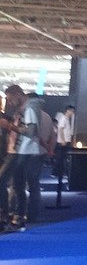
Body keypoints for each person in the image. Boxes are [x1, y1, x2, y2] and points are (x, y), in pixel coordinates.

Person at [0, 86, 45, 231]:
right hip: (21, 150)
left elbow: (31, 132)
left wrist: (9, 126)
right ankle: (16, 217)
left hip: (23, 150)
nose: (10, 103)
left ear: (17, 94)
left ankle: (8, 216)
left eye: (10, 99)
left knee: (9, 182)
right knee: (18, 184)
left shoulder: (30, 108)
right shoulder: (28, 108)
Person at [53, 105, 75, 181]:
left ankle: (60, 173)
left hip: (66, 141)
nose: (72, 113)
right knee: (60, 159)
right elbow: (60, 129)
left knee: (62, 159)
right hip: (63, 142)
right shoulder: (63, 118)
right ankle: (57, 173)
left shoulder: (67, 119)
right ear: (68, 111)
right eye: (72, 111)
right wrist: (63, 140)